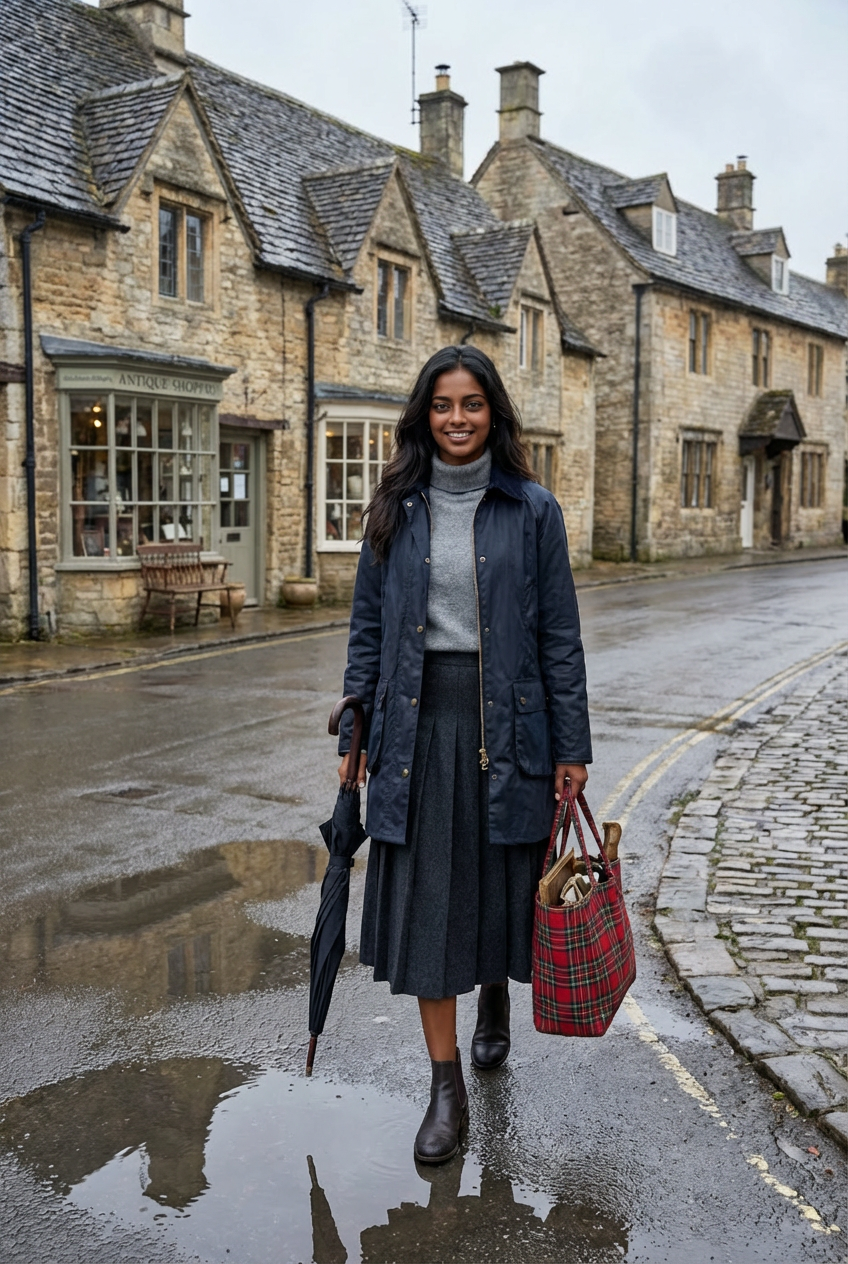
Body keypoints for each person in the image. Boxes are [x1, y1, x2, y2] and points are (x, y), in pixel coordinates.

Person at [337, 345, 591, 1164]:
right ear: (424, 414)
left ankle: (494, 996)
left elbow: (560, 638)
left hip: (509, 728)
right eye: (443, 404)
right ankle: (445, 1088)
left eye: (472, 403)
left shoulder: (534, 510)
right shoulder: (396, 507)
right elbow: (367, 633)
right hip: (418, 729)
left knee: (493, 893)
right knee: (430, 910)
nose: (456, 418)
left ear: (494, 413)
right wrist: (356, 734)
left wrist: (571, 748)